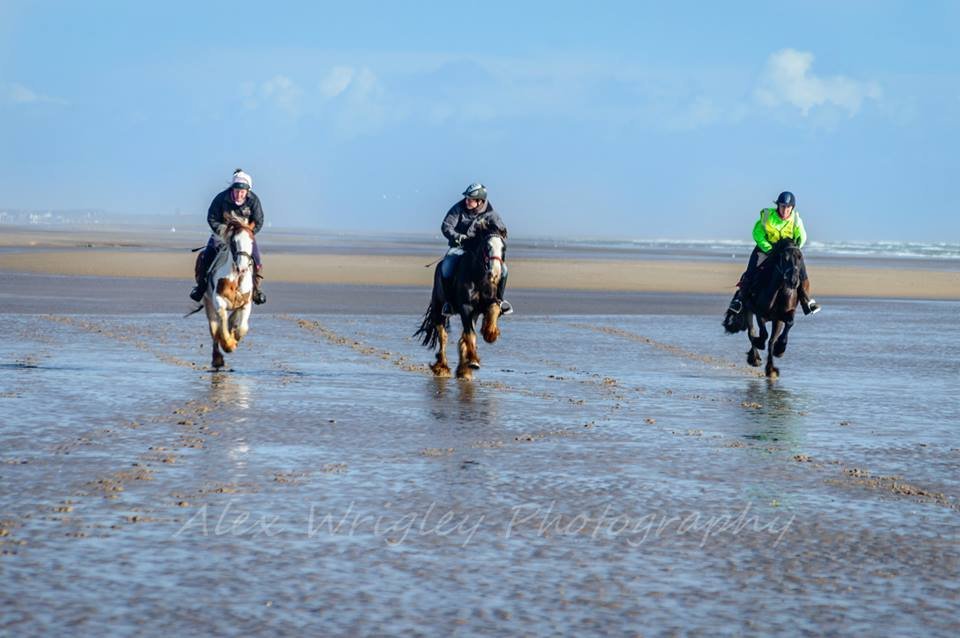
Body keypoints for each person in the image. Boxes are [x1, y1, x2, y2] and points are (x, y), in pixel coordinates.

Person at [727, 191, 821, 315]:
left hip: (787, 251)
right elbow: (757, 233)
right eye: (783, 206)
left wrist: (795, 248)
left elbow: (802, 235)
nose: (785, 210)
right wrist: (768, 248)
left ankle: (806, 301)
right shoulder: (767, 216)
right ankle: (739, 299)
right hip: (767, 248)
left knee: (800, 271)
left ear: (792, 207)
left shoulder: (796, 219)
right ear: (778, 206)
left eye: (788, 207)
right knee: (751, 270)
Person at [189, 169, 266, 304]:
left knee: (257, 260)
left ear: (247, 191)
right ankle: (200, 288)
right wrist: (223, 231)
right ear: (232, 189)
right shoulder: (221, 198)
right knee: (207, 256)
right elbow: (212, 218)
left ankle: (256, 290)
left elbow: (259, 220)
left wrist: (248, 233)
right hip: (222, 234)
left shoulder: (253, 200)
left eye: (242, 192)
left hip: (243, 236)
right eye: (236, 191)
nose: (239, 194)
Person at [439, 182, 513, 316]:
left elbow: (502, 230)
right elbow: (446, 227)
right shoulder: (457, 209)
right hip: (460, 247)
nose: (467, 201)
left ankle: (499, 301)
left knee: (504, 271)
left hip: (481, 251)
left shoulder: (491, 214)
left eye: (471, 200)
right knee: (446, 267)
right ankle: (449, 303)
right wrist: (458, 236)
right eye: (467, 198)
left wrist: (497, 234)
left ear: (480, 201)